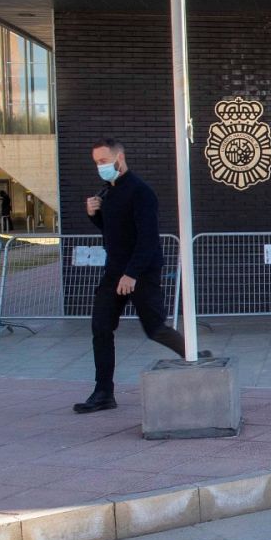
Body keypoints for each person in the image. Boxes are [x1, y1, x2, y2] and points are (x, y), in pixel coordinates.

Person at [75, 139, 203, 413]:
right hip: (114, 272)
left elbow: (148, 239)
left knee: (155, 328)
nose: (100, 166)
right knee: (101, 328)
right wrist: (93, 215)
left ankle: (195, 355)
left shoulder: (140, 192)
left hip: (141, 273)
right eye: (96, 162)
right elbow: (113, 232)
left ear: (119, 158)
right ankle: (103, 392)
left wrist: (131, 274)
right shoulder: (108, 192)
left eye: (103, 161)